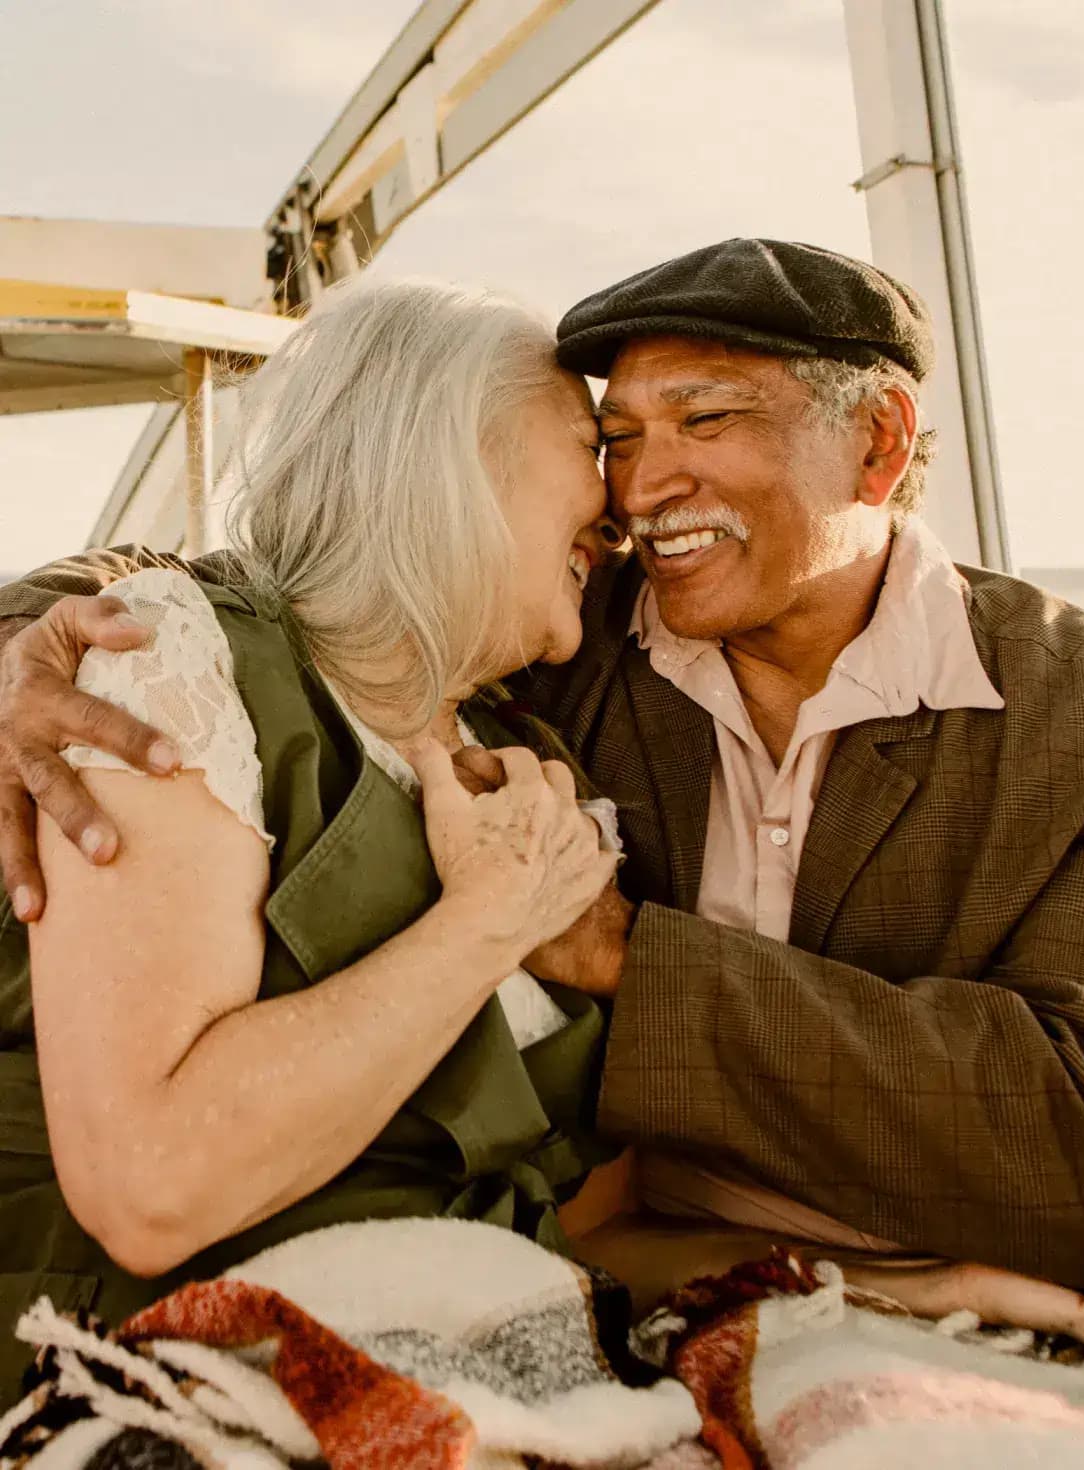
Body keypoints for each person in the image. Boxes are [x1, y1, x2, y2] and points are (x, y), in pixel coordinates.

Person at [1, 239, 1084, 1309]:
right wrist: (32, 639)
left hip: (741, 1267)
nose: (638, 492)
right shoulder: (571, 625)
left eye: (701, 418)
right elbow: (298, 576)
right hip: (568, 1263)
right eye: (618, 441)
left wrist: (618, 956)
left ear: (878, 443)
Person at [0, 277, 628, 1401]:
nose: (615, 509)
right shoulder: (175, 668)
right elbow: (151, 1184)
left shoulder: (531, 760)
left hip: (481, 1371)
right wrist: (485, 924)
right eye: (587, 443)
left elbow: (595, 1211)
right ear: (450, 461)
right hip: (151, 1375)